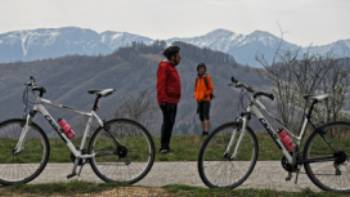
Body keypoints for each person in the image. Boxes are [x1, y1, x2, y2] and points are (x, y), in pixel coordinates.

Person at [156, 46, 181, 154]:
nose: (180, 58)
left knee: (170, 123)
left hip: (172, 100)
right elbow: (161, 84)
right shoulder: (164, 66)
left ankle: (166, 146)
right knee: (167, 123)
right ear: (172, 57)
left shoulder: (171, 66)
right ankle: (164, 147)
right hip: (167, 101)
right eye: (178, 56)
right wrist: (163, 100)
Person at [194, 63, 214, 136]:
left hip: (206, 100)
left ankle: (206, 132)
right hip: (199, 100)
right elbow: (195, 89)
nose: (201, 70)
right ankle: (204, 131)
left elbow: (211, 89)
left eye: (202, 68)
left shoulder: (207, 78)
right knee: (201, 117)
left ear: (205, 69)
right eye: (200, 69)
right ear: (198, 70)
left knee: (206, 116)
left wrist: (205, 94)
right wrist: (196, 96)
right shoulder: (197, 79)